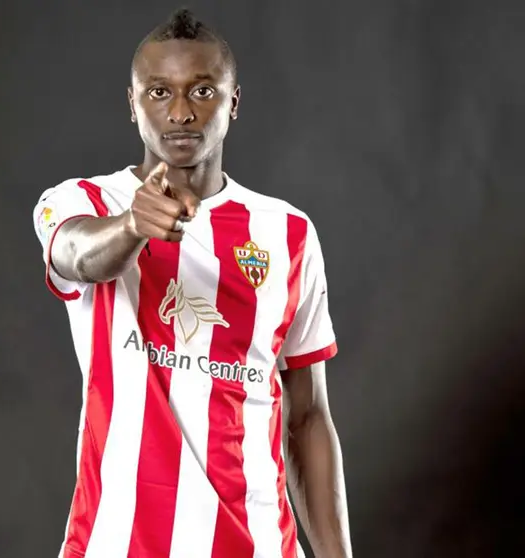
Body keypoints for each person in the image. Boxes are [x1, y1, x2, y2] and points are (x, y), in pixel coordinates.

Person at [33, 8, 352, 558]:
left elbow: (307, 419)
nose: (180, 112)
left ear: (233, 102)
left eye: (202, 91)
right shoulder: (86, 202)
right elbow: (76, 254)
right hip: (116, 544)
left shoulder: (288, 232)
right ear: (132, 104)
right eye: (159, 93)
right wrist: (132, 226)